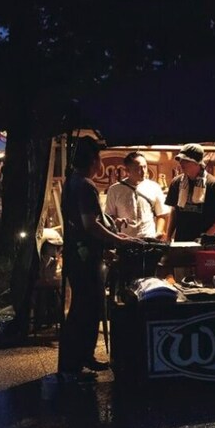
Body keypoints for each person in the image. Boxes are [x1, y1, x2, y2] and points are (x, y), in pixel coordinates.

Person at [58, 137, 141, 381]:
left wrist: (113, 226)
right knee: (87, 307)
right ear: (94, 161)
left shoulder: (72, 182)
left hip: (76, 253)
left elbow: (92, 220)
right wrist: (119, 240)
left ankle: (80, 357)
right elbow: (90, 224)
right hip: (85, 256)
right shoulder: (86, 185)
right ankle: (76, 361)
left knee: (83, 307)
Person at [164, 143, 215, 242]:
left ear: (197, 163)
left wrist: (208, 235)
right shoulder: (176, 182)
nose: (181, 163)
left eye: (186, 161)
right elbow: (174, 210)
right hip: (181, 240)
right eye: (180, 160)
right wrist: (168, 236)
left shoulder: (213, 184)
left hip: (205, 242)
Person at [105, 152, 168, 240]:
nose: (143, 171)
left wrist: (159, 232)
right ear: (127, 170)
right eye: (138, 168)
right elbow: (109, 215)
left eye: (145, 167)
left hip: (148, 237)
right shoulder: (115, 190)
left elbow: (161, 214)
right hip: (125, 239)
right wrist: (116, 221)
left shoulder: (154, 187)